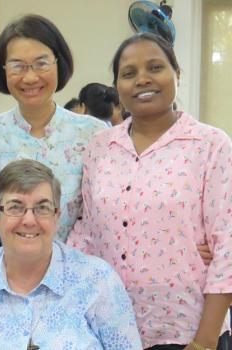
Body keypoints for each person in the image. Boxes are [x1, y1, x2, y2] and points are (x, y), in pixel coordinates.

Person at [68, 33, 232, 350]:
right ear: (117, 86)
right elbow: (87, 232)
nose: (143, 79)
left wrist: (205, 341)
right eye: (129, 73)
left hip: (186, 330)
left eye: (155, 67)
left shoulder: (210, 145)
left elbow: (227, 245)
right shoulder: (100, 147)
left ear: (177, 74)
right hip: (109, 327)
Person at [0, 159, 142, 349]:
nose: (29, 220)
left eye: (42, 208)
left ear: (56, 216)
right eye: (15, 207)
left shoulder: (98, 281)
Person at [0, 14, 107, 242]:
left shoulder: (94, 134)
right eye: (17, 66)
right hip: (5, 270)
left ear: (59, 64)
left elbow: (104, 215)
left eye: (41, 63)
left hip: (77, 270)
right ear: (3, 70)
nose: (30, 77)